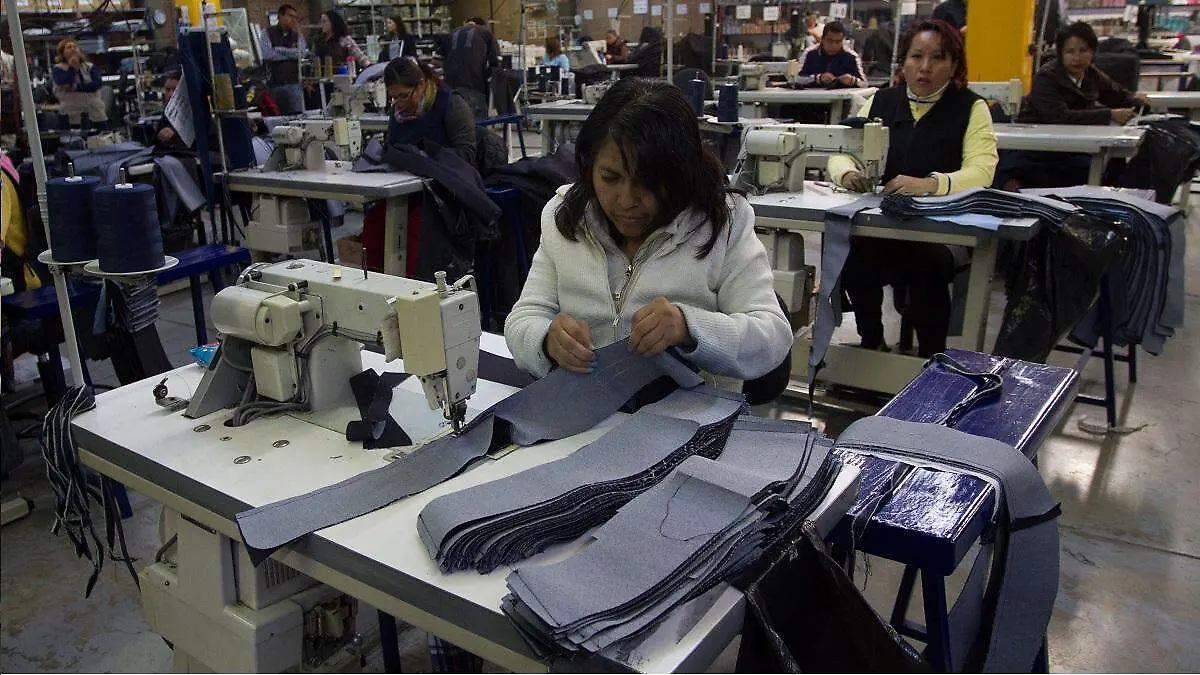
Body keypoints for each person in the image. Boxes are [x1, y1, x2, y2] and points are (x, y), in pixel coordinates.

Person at [504, 78, 792, 391]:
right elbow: (525, 317)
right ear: (590, 167)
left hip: (692, 412)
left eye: (648, 182)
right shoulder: (565, 217)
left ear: (681, 173)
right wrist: (545, 340)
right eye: (610, 178)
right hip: (588, 406)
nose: (627, 200)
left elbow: (772, 337)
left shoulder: (723, 223)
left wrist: (689, 328)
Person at [828, 19, 998, 357]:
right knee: (851, 256)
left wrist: (932, 184)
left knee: (926, 265)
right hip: (883, 226)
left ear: (954, 65)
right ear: (903, 62)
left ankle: (932, 358)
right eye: (916, 56)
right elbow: (842, 150)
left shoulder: (971, 108)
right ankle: (871, 344)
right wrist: (846, 173)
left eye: (938, 58)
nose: (925, 67)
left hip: (944, 232)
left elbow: (982, 171)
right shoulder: (881, 102)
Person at [1000, 21, 1149, 189]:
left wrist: (1134, 98)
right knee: (1094, 166)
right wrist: (1110, 115)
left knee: (1113, 161)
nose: (1077, 58)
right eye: (1070, 52)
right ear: (1060, 53)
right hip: (1037, 150)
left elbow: (1115, 94)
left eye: (1083, 51)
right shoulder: (1046, 78)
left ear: (1092, 51)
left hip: (1071, 146)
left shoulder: (1090, 74)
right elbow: (1059, 117)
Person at [384, 57, 477, 165]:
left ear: (421, 85)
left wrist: (423, 157)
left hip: (448, 173)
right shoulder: (397, 113)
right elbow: (390, 146)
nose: (400, 103)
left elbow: (467, 154)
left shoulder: (451, 104)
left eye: (404, 96)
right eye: (394, 98)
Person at [443, 18, 500, 119]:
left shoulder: (453, 33)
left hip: (450, 87)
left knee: (457, 121)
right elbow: (495, 63)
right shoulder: (485, 32)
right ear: (482, 26)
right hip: (474, 85)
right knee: (478, 123)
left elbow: (436, 59)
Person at [259, 3, 307, 114]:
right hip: (275, 84)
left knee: (297, 114)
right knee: (276, 114)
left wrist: (280, 49)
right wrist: (291, 55)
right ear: (280, 16)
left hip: (294, 84)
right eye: (290, 16)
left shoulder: (296, 35)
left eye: (295, 17)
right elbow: (268, 54)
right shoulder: (267, 33)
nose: (293, 20)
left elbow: (302, 53)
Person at [51, 39, 107, 126]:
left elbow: (97, 84)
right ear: (62, 53)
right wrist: (72, 68)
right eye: (69, 47)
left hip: (94, 110)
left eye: (75, 47)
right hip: (71, 111)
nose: (73, 49)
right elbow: (63, 82)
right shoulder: (58, 68)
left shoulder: (89, 66)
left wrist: (76, 87)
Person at [798, 22, 867, 88]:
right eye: (830, 41)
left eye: (838, 41)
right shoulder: (809, 53)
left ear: (843, 41)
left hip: (843, 95)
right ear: (822, 39)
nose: (834, 45)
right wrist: (818, 78)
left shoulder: (852, 56)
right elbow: (797, 79)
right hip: (813, 95)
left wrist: (853, 80)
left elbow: (864, 83)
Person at [153, 71, 188, 151]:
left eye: (175, 90)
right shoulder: (167, 113)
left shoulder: (196, 113)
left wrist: (175, 133)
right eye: (167, 90)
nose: (170, 94)